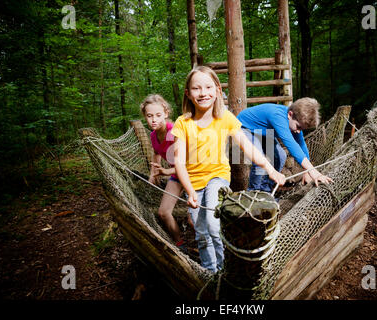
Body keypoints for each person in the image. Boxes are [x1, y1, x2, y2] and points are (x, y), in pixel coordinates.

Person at [171, 66, 286, 273]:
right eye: (196, 88)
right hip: (193, 183)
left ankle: (224, 269)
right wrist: (188, 191)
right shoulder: (183, 123)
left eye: (208, 87)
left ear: (217, 90)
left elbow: (247, 145)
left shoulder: (225, 118)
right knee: (201, 232)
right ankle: (210, 271)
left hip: (218, 178)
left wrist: (269, 168)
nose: (203, 93)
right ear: (188, 93)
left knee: (213, 225)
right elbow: (178, 161)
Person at [237, 98, 333, 193]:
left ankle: (265, 190)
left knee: (280, 156)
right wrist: (314, 172)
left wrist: (307, 171)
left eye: (302, 129)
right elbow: (291, 145)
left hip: (264, 132)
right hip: (245, 128)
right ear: (290, 114)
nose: (298, 131)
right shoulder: (277, 116)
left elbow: (301, 144)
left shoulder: (295, 121)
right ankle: (254, 192)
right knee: (260, 160)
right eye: (298, 127)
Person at [140, 94, 189, 252]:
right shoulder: (153, 135)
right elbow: (156, 152)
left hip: (193, 173)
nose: (153, 120)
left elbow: (188, 163)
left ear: (166, 113)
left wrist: (166, 171)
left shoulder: (173, 131)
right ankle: (180, 246)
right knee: (163, 212)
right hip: (177, 175)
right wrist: (153, 172)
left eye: (158, 115)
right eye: (149, 116)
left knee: (194, 221)